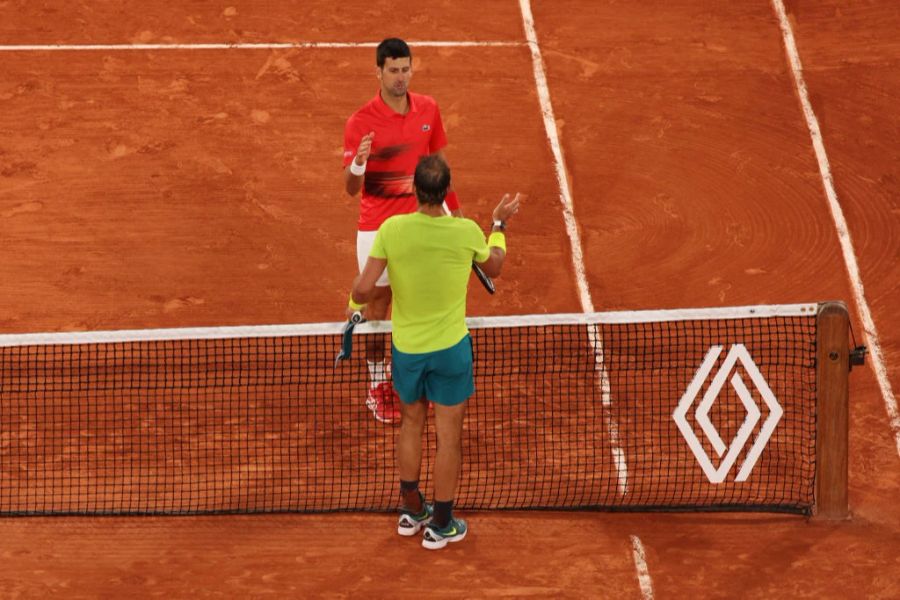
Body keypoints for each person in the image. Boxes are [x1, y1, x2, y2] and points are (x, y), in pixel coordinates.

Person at [346, 155, 521, 550]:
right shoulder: (465, 232)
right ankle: (442, 524)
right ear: (446, 191)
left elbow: (363, 290)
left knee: (411, 424)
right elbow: (494, 267)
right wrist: (497, 226)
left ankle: (412, 510)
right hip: (450, 352)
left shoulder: (392, 229)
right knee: (448, 437)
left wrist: (354, 299)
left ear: (414, 190)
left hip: (407, 350)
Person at [342, 37, 462, 424]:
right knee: (377, 310)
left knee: (414, 306)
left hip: (420, 226)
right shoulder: (360, 122)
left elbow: (440, 166)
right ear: (378, 72)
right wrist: (359, 164)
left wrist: (454, 215)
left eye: (405, 69)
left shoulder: (428, 108)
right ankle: (377, 384)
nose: (400, 77)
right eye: (393, 70)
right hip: (376, 229)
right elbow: (350, 188)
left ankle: (407, 378)